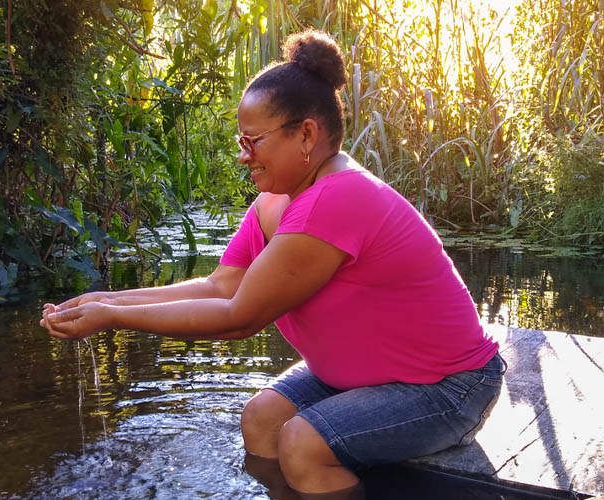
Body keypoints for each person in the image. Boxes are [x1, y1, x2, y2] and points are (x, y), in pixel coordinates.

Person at [40, 29, 505, 499]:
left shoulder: (339, 198)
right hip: (369, 377)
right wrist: (104, 298)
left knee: (303, 444)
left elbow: (239, 316)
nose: (244, 156)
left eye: (253, 141)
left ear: (306, 133)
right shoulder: (275, 202)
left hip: (450, 387)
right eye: (241, 141)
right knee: (261, 420)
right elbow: (223, 286)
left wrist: (112, 318)